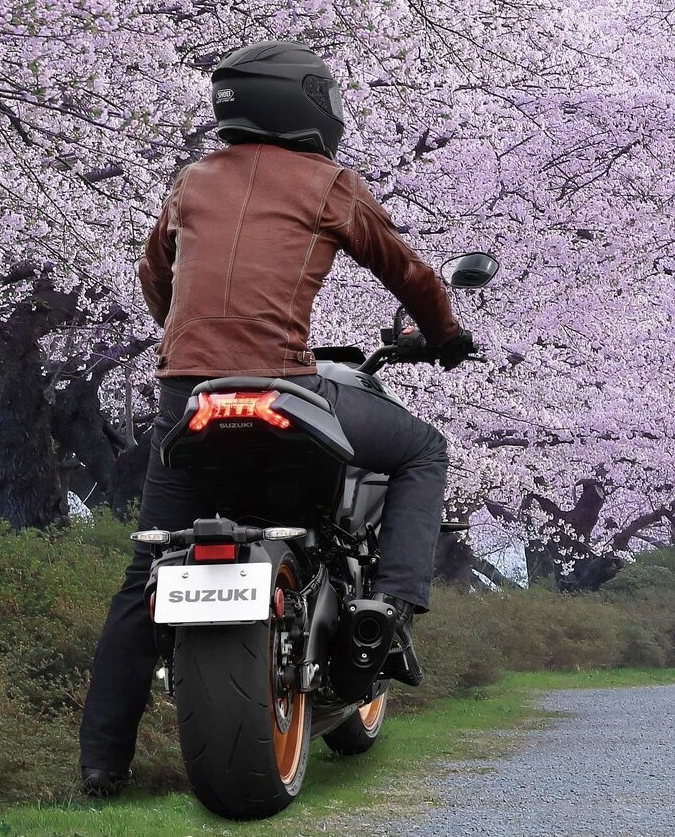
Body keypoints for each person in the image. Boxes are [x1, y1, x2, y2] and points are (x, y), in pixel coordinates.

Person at [77, 41, 476, 798]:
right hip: (286, 389)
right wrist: (446, 338)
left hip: (187, 398)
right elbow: (407, 270)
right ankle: (388, 606)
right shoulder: (329, 183)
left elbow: (153, 275)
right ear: (305, 104)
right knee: (422, 448)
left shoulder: (191, 180)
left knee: (143, 576)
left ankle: (102, 768)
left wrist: (185, 342)